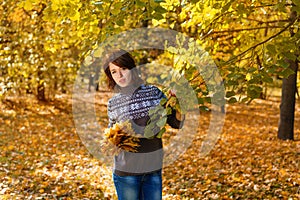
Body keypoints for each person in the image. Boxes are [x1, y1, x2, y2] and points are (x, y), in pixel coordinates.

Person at [103, 49, 184, 200]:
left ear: (132, 69)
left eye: (123, 69)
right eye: (114, 72)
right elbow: (111, 137)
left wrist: (178, 101)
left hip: (152, 169)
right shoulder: (113, 104)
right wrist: (115, 140)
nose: (119, 76)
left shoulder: (154, 92)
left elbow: (176, 122)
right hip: (126, 173)